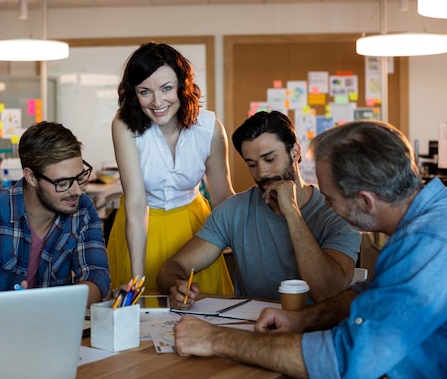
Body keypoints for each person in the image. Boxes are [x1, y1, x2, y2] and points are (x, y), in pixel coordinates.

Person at [173, 120, 447, 378]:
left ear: (365, 201)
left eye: (329, 198)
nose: (326, 205)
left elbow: (344, 360)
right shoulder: (430, 220)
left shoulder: (428, 243)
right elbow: (375, 291)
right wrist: (303, 319)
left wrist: (215, 339)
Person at [158, 110, 360, 305]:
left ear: (295, 152)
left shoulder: (337, 213)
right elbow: (174, 267)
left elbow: (328, 294)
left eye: (270, 159)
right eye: (251, 164)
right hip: (251, 329)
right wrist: (176, 285)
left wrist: (291, 212)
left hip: (313, 332)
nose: (262, 172)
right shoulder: (234, 211)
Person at [107, 42, 235, 294]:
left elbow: (223, 199)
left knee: (199, 309)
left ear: (182, 86)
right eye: (145, 92)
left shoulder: (209, 128)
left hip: (193, 231)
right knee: (141, 314)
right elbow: (135, 202)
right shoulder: (124, 125)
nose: (157, 102)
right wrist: (137, 280)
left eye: (167, 88)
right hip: (139, 229)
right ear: (133, 93)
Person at [0, 121, 110, 306]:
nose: (77, 191)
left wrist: (41, 305)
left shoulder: (82, 209)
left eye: (80, 178)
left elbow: (97, 278)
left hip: (57, 327)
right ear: (31, 177)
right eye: (62, 183)